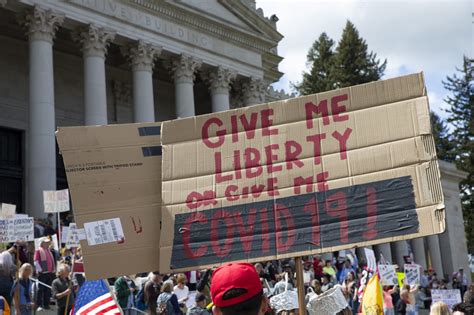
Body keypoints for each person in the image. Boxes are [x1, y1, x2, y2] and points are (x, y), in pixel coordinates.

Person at [34, 237, 56, 311]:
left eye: (48, 242)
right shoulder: (38, 250)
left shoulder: (48, 250)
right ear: (42, 243)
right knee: (41, 289)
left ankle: (46, 304)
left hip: (49, 272)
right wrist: (40, 270)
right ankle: (39, 304)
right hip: (43, 273)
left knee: (47, 289)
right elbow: (36, 261)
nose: (48, 243)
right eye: (46, 242)